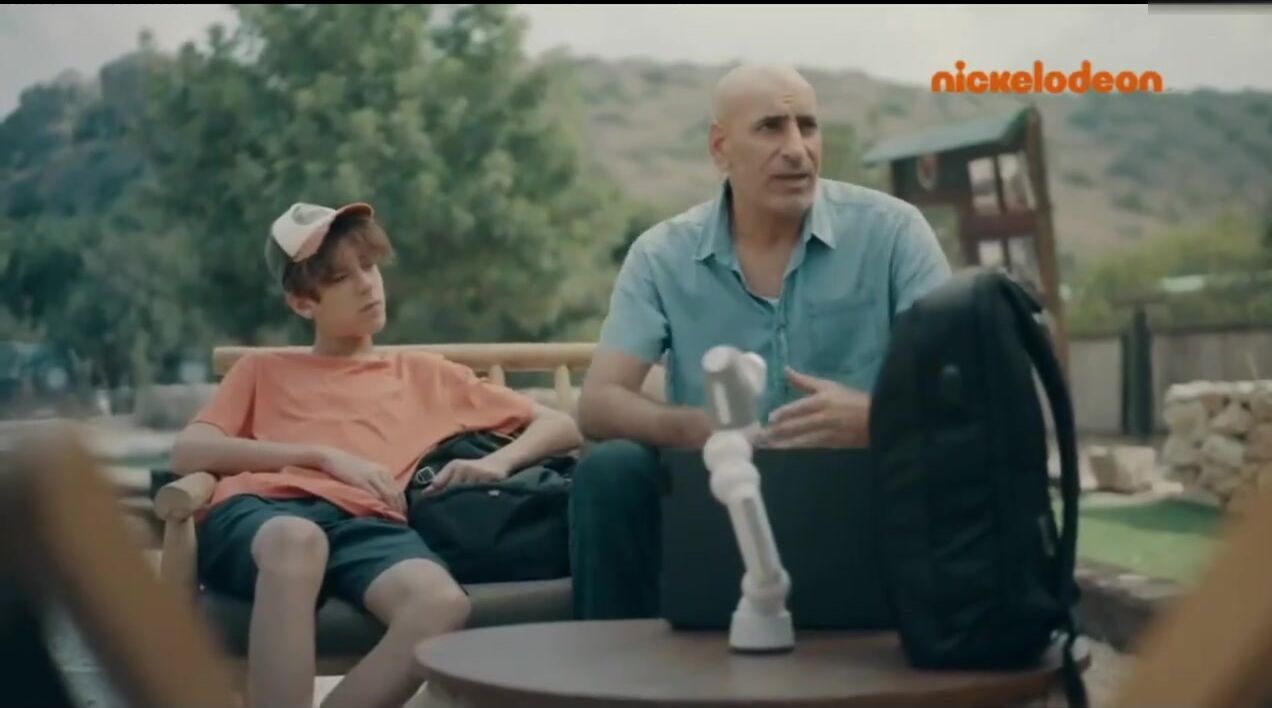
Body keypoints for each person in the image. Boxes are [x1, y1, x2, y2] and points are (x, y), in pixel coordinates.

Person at [569, 64, 952, 620]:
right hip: (718, 496)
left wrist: (880, 418)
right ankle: (612, 667)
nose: (797, 149)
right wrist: (697, 428)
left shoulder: (893, 232)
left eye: (808, 126)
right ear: (720, 148)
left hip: (863, 491)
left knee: (945, 459)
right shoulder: (661, 256)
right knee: (611, 472)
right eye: (771, 127)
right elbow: (600, 402)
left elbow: (960, 389)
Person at [169, 202, 582, 708]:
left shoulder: (426, 375)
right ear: (303, 303)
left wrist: (497, 462)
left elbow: (560, 425)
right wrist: (323, 457)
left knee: (439, 603)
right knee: (298, 541)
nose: (368, 285)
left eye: (369, 266)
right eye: (342, 277)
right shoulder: (263, 370)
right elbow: (188, 451)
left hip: (370, 523)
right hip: (266, 513)